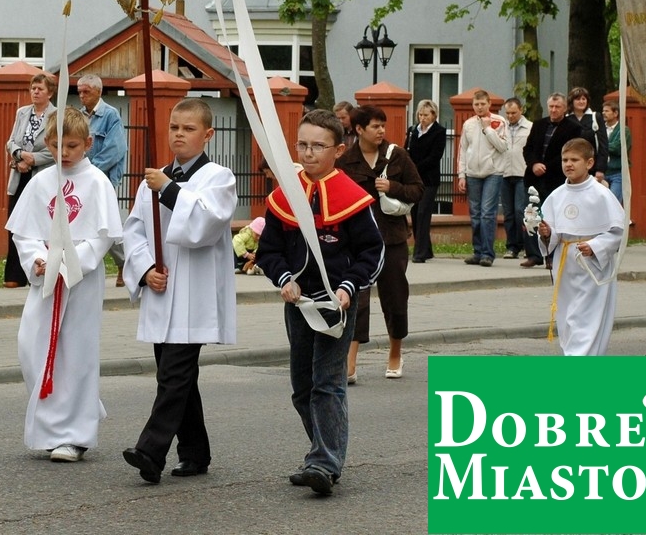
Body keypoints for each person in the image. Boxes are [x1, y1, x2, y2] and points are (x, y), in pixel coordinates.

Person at [255, 110, 384, 496]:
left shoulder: (353, 198)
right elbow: (269, 251)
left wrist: (348, 287)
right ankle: (321, 452)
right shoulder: (285, 196)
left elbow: (372, 253)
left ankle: (325, 463)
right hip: (298, 304)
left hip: (335, 305)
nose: (308, 153)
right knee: (302, 386)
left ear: (338, 150)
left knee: (327, 384)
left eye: (318, 146)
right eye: (303, 145)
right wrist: (284, 278)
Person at [121, 98, 237, 485]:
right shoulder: (153, 180)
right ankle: (195, 452)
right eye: (174, 127)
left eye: (188, 129)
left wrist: (169, 189)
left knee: (173, 375)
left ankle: (150, 451)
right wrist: (145, 270)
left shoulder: (219, 178)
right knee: (178, 377)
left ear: (208, 134)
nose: (179, 135)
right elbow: (134, 231)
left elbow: (205, 225)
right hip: (162, 291)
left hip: (195, 296)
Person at [7, 107, 122, 463]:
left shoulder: (98, 182)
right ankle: (75, 411)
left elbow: (103, 237)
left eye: (72, 146)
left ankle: (74, 435)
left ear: (87, 144)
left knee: (75, 352)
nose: (64, 153)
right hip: (45, 279)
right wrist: (37, 260)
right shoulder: (41, 182)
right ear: (47, 143)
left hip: (80, 280)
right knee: (31, 345)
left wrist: (70, 262)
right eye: (57, 146)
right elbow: (24, 233)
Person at [339, 105, 423, 382]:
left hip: (392, 239)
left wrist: (393, 187)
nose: (381, 131)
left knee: (395, 297)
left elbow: (418, 190)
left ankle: (395, 353)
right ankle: (350, 361)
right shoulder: (346, 160)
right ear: (359, 129)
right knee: (357, 299)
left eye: (383, 126)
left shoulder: (397, 155)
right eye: (375, 126)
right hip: (357, 242)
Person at [535, 138, 623, 355]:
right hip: (565, 265)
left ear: (589, 163)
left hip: (592, 266)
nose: (568, 164)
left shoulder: (602, 194)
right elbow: (552, 234)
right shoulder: (557, 195)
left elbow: (618, 232)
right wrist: (547, 233)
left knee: (587, 318)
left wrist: (595, 246)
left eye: (574, 160)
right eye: (565, 160)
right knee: (568, 317)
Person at [3, 73, 58, 288]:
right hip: (20, 174)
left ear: (50, 93)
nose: (35, 92)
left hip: (41, 176)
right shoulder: (22, 113)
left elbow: (55, 149)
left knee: (39, 224)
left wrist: (32, 159)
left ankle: (38, 269)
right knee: (16, 222)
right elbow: (11, 142)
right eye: (33, 88)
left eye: (40, 89)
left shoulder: (56, 115)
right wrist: (20, 156)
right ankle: (14, 275)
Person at [520, 93, 585, 267]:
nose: (554, 110)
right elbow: (528, 149)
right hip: (534, 178)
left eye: (557, 107)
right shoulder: (539, 124)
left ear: (565, 108)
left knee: (552, 218)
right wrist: (534, 164)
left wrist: (545, 167)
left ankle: (551, 256)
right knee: (531, 215)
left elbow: (569, 154)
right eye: (551, 107)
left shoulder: (573, 128)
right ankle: (533, 254)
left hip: (555, 178)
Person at [76, 74, 127, 286]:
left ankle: (125, 263)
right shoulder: (79, 116)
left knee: (107, 224)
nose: (82, 96)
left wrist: (89, 171)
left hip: (102, 179)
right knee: (83, 223)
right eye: (79, 92)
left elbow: (115, 149)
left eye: (86, 92)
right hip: (80, 179)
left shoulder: (110, 115)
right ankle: (82, 264)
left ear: (98, 91)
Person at [456, 89, 509, 267]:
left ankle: (487, 253)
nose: (479, 107)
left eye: (482, 104)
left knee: (487, 213)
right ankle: (477, 251)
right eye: (476, 104)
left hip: (493, 172)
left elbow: (503, 146)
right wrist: (461, 175)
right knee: (475, 214)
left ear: (489, 104)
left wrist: (488, 129)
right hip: (473, 173)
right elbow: (463, 150)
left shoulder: (499, 121)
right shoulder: (468, 124)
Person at [405, 99, 445, 264]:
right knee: (415, 213)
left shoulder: (439, 132)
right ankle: (426, 249)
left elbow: (435, 156)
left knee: (423, 213)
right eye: (420, 115)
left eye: (426, 115)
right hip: (414, 179)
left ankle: (419, 252)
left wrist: (416, 167)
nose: (422, 118)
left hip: (429, 179)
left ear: (434, 115)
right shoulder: (412, 130)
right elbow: (406, 150)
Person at [498, 97, 532, 260]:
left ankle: (526, 244)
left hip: (522, 173)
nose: (510, 116)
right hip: (504, 173)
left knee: (520, 211)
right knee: (508, 213)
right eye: (508, 113)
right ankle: (512, 246)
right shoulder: (501, 127)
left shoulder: (530, 127)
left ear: (521, 110)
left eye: (514, 113)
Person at [566, 87, 608, 181]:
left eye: (583, 99)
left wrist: (600, 169)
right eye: (578, 99)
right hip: (571, 167)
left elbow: (603, 145)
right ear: (572, 101)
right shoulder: (566, 119)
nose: (581, 101)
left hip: (591, 168)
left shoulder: (595, 117)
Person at [602, 101, 629, 204]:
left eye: (607, 111)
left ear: (615, 113)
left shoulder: (623, 130)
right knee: (601, 203)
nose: (604, 113)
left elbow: (618, 148)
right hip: (602, 172)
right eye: (603, 111)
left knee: (614, 203)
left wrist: (602, 146)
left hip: (617, 173)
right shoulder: (600, 128)